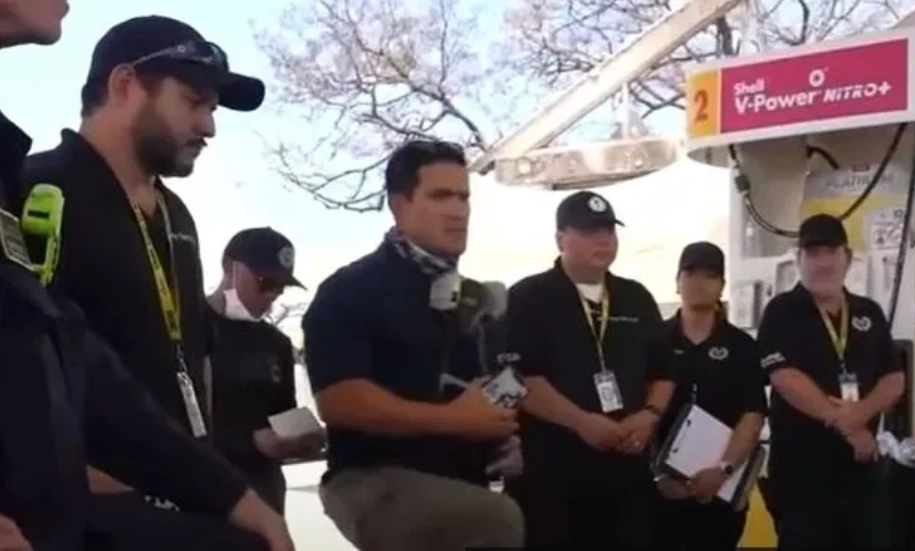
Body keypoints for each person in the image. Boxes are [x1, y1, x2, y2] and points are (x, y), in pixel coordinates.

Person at [0, 2, 292, 550]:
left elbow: (182, 359)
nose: (208, 125)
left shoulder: (178, 216)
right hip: (92, 509)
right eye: (193, 101)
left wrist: (214, 484)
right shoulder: (41, 190)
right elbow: (34, 369)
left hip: (184, 485)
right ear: (126, 84)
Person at [303, 140, 524, 551]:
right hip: (373, 478)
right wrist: (455, 420)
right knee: (496, 519)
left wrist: (499, 437)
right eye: (441, 196)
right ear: (399, 205)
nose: (459, 210)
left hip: (464, 478)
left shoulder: (477, 299)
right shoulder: (349, 290)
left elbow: (492, 391)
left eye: (464, 197)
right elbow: (339, 401)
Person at [502, 190, 675, 548]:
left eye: (609, 231)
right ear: (560, 238)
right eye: (588, 231)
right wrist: (581, 422)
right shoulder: (527, 297)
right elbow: (509, 381)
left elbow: (664, 371)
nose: (602, 240)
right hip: (551, 480)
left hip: (624, 478)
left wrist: (649, 415)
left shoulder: (636, 297)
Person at [756, 213, 906, 548]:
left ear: (847, 257)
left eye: (830, 252)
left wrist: (862, 410)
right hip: (803, 476)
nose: (822, 263)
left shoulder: (868, 312)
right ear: (798, 259)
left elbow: (894, 378)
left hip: (861, 471)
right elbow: (785, 378)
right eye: (812, 253)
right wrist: (848, 425)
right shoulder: (782, 311)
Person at [650, 242, 767, 550]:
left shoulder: (742, 347)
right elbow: (637, 411)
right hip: (661, 494)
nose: (699, 283)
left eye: (709, 275)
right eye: (690, 273)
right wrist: (658, 476)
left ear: (721, 285)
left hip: (720, 489)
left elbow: (753, 415)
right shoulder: (653, 341)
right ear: (677, 282)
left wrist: (724, 470)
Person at [206, 227, 323, 514]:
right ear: (228, 267)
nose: (272, 294)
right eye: (265, 282)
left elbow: (285, 415)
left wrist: (302, 439)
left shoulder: (276, 344)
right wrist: (248, 441)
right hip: (201, 487)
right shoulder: (186, 329)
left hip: (263, 490)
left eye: (280, 287)